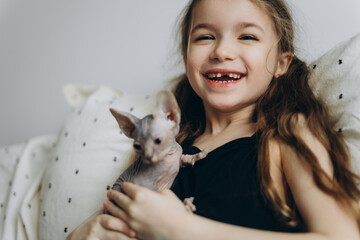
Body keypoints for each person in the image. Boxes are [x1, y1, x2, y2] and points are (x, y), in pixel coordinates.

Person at [67, 0, 360, 239]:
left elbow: (341, 236)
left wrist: (179, 229)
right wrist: (84, 232)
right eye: (205, 37)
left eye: (247, 36)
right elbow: (111, 213)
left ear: (282, 62)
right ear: (186, 58)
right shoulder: (164, 145)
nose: (221, 51)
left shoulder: (287, 133)